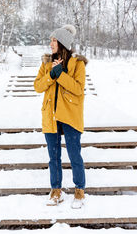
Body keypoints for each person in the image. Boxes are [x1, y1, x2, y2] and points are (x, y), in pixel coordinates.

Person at [34, 24, 88, 209]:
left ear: (63, 43)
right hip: (51, 115)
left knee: (74, 155)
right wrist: (51, 74)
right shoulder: (46, 63)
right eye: (50, 40)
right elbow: (38, 86)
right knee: (53, 157)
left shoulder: (77, 63)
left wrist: (62, 75)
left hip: (70, 115)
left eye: (54, 40)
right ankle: (56, 190)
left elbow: (78, 89)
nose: (50, 43)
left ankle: (79, 191)